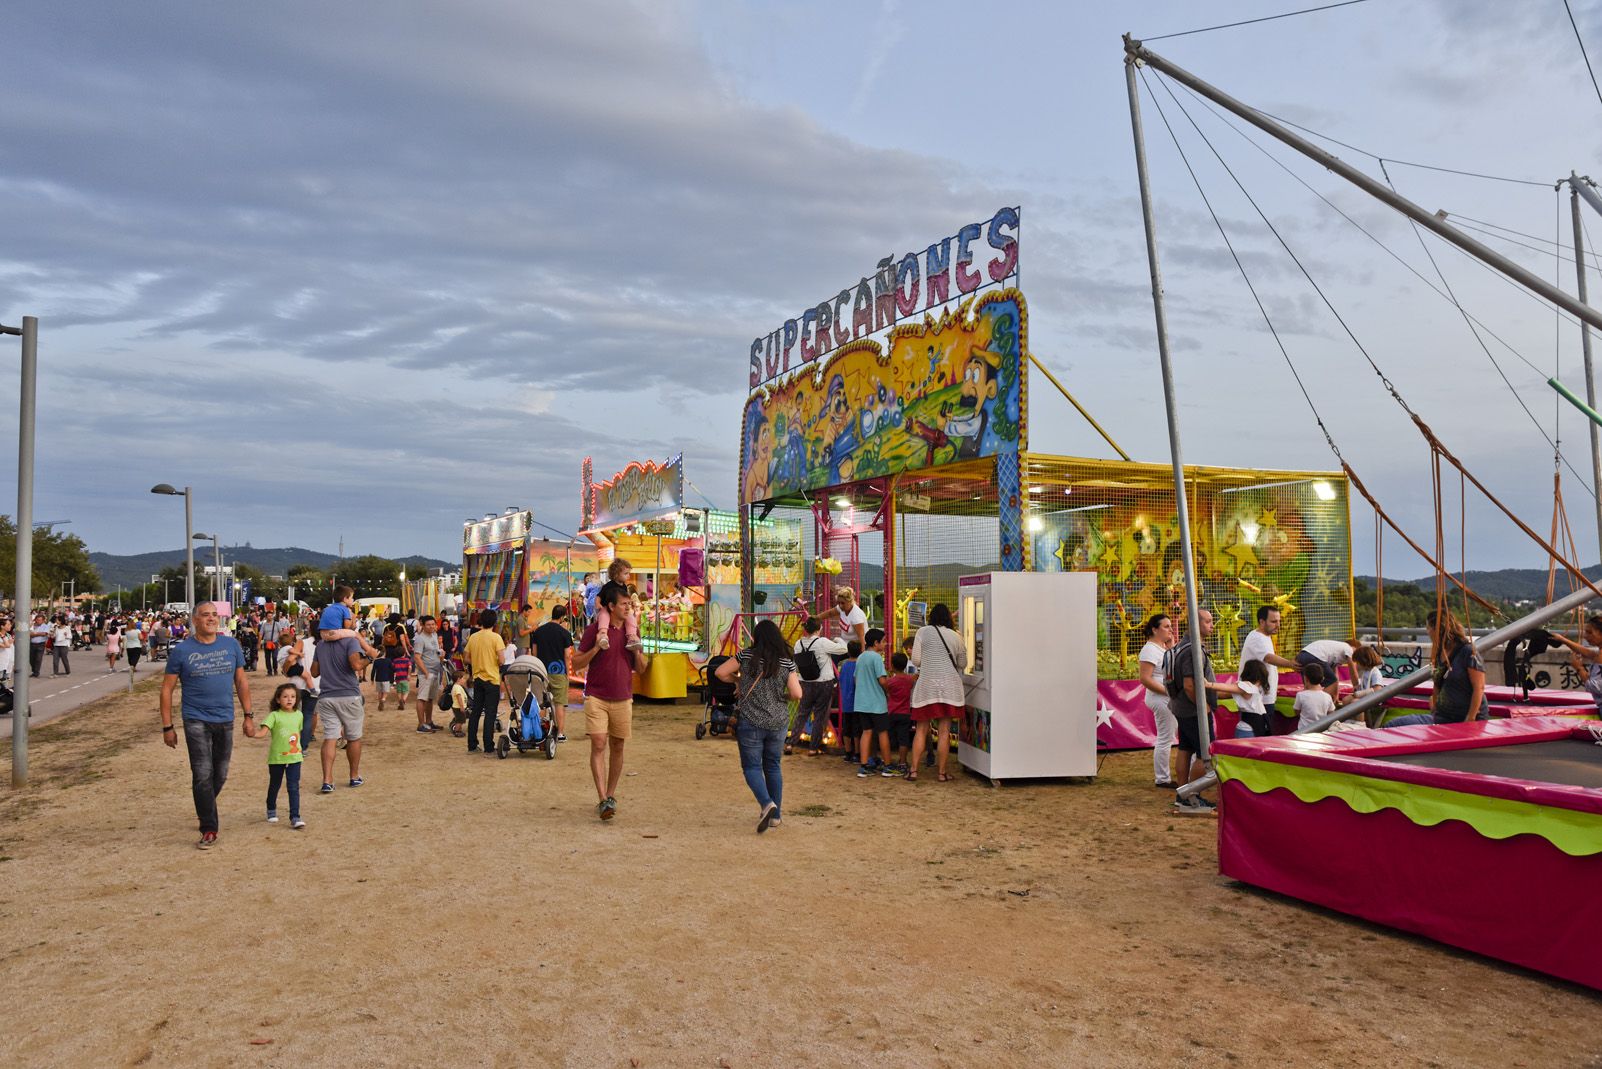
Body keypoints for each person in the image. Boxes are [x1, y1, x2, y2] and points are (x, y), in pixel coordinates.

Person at [159, 602, 251, 849]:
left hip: (225, 718)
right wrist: (167, 726)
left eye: (214, 615)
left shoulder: (231, 645)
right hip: (195, 718)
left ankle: (204, 807)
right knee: (202, 773)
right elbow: (167, 689)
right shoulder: (182, 650)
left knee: (220, 774)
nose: (211, 619)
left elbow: (241, 681)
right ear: (195, 620)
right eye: (205, 615)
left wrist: (248, 715)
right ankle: (209, 828)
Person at [715, 620, 801, 833]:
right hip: (778, 723)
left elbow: (719, 673)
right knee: (773, 766)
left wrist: (738, 681)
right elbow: (797, 694)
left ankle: (766, 803)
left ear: (756, 637)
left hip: (750, 721)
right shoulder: (786, 662)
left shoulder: (746, 656)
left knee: (752, 767)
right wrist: (782, 696)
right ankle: (776, 816)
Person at [572, 581, 648, 821]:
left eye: (629, 604)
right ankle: (602, 797)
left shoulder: (631, 632)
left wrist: (636, 650)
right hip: (596, 696)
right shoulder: (595, 630)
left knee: (618, 746)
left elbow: (643, 668)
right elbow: (576, 663)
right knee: (598, 743)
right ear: (611, 606)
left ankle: (611, 795)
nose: (628, 607)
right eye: (623, 604)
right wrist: (596, 648)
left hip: (623, 697)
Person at [1167, 608, 1245, 815]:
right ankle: (1190, 796)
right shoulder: (1193, 650)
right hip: (1193, 710)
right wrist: (1204, 707)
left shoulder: (1183, 646)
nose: (1212, 625)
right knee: (1205, 754)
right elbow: (1190, 685)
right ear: (1195, 623)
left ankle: (1182, 794)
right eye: (1208, 621)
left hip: (1181, 707)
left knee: (1185, 749)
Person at [909, 603, 968, 783]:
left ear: (931, 617)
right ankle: (942, 773)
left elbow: (916, 660)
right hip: (950, 688)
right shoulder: (956, 636)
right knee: (944, 731)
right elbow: (963, 663)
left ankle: (913, 771)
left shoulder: (922, 632)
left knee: (921, 730)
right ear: (949, 618)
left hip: (927, 687)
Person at [310, 619, 368, 793]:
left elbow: (314, 672)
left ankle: (327, 780)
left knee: (330, 738)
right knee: (354, 737)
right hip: (349, 694)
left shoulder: (320, 645)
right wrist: (370, 658)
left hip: (327, 696)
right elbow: (356, 664)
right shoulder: (351, 641)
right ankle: (354, 776)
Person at [243, 682, 308, 829]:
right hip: (277, 758)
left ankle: (295, 816)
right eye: (285, 696)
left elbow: (298, 733)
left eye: (292, 696)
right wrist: (252, 734)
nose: (289, 699)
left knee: (293, 787)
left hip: (295, 757)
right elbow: (262, 733)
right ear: (278, 699)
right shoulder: (274, 715)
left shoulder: (299, 715)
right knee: (275, 784)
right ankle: (271, 810)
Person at [1239, 606, 1299, 736]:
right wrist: (1291, 664)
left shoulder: (1266, 636)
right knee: (1259, 738)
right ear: (1261, 622)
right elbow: (1268, 658)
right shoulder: (1257, 638)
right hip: (1257, 701)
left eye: (1279, 621)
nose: (1278, 625)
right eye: (1273, 621)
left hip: (1264, 697)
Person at [791, 616, 847, 756]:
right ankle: (813, 748)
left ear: (805, 629)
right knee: (820, 716)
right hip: (824, 683)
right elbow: (843, 649)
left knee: (802, 714)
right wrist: (838, 639)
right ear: (819, 629)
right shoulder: (822, 642)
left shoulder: (798, 644)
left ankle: (789, 744)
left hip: (805, 683)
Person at [1138, 613, 1176, 787]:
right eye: (1166, 626)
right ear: (1154, 629)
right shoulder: (1149, 649)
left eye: (1170, 625)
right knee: (1165, 738)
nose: (1170, 629)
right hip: (1160, 699)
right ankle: (1162, 778)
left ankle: (1164, 777)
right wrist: (1169, 692)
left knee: (1168, 737)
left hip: (1166, 697)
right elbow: (1145, 679)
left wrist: (1171, 646)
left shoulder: (1161, 648)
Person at [463, 608, 506, 755]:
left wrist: (477, 661)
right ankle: (488, 746)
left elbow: (466, 658)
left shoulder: (473, 637)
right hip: (492, 679)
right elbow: (502, 660)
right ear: (494, 622)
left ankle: (472, 745)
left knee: (475, 712)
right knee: (490, 713)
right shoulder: (496, 638)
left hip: (478, 679)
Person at [530, 604, 575, 742]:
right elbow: (567, 655)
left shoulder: (538, 631)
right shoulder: (565, 633)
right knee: (559, 703)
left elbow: (534, 652)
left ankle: (540, 732)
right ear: (562, 617)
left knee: (542, 702)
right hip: (559, 671)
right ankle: (560, 734)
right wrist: (567, 673)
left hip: (541, 671)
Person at [853, 628, 894, 777]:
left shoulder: (861, 657)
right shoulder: (876, 658)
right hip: (876, 703)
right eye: (883, 641)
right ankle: (887, 765)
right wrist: (888, 689)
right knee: (883, 733)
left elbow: (856, 679)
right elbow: (882, 680)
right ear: (876, 643)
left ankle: (864, 765)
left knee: (866, 732)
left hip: (862, 703)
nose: (885, 644)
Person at [1550, 614, 1602, 715]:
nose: (1585, 636)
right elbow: (1588, 652)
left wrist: (1579, 668)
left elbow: (1595, 688)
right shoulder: (1599, 653)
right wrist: (1563, 640)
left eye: (1589, 632)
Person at [592, 559, 642, 651]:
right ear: (616, 574)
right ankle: (603, 634)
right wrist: (598, 604)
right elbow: (599, 596)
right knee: (604, 615)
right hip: (608, 607)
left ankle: (632, 636)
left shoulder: (624, 586)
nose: (628, 576)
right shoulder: (608, 586)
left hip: (620, 609)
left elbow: (626, 597)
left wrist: (631, 602)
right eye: (626, 573)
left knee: (630, 616)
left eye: (628, 573)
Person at [1297, 637, 1360, 705]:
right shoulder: (1348, 648)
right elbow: (1352, 669)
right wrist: (1356, 685)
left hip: (1302, 655)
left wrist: (1336, 696)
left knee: (1309, 684)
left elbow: (1335, 676)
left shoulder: (1335, 651)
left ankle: (1306, 704)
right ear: (1354, 647)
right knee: (1330, 681)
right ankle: (1316, 703)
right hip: (1316, 655)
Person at [411, 615, 445, 733]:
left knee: (430, 698)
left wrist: (441, 655)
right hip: (426, 673)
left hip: (435, 671)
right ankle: (421, 725)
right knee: (422, 698)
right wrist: (425, 673)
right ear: (423, 626)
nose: (431, 627)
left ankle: (429, 722)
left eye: (433, 624)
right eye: (428, 625)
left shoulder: (434, 635)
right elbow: (417, 657)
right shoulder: (420, 639)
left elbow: (436, 651)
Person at [884, 651, 916, 775]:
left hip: (891, 712)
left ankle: (888, 759)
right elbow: (912, 683)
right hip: (905, 713)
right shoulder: (909, 680)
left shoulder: (890, 681)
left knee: (889, 737)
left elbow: (887, 691)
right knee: (904, 739)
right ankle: (903, 762)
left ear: (892, 665)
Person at [837, 640, 862, 763]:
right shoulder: (859, 665)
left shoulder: (844, 666)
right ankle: (857, 753)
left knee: (847, 728)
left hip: (846, 702)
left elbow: (840, 680)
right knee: (857, 730)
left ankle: (848, 752)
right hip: (857, 702)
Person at [1236, 660, 1273, 737]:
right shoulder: (1248, 687)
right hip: (1248, 730)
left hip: (1251, 727)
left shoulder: (1256, 688)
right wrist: (1210, 685)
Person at [448, 667, 470, 736]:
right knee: (459, 721)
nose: (465, 680)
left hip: (459, 707)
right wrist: (462, 707)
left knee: (461, 720)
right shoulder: (457, 687)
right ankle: (457, 731)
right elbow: (459, 698)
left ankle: (459, 730)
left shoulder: (458, 686)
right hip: (458, 707)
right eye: (463, 678)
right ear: (458, 679)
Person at [29, 613, 48, 678]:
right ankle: (34, 670)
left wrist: (34, 634)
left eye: (40, 620)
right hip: (32, 644)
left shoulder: (45, 626)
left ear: (43, 620)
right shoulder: (32, 626)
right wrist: (38, 634)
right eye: (37, 620)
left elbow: (44, 633)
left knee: (38, 658)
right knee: (31, 659)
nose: (38, 621)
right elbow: (29, 634)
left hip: (41, 644)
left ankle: (36, 672)